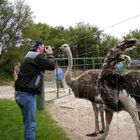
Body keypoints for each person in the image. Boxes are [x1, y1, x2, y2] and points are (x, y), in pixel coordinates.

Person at [14, 40, 55, 140]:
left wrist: (45, 55)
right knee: (30, 126)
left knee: (28, 124)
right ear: (40, 47)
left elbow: (43, 65)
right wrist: (49, 54)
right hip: (26, 95)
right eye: (44, 47)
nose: (45, 49)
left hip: (21, 94)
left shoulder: (31, 55)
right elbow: (51, 65)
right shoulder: (35, 56)